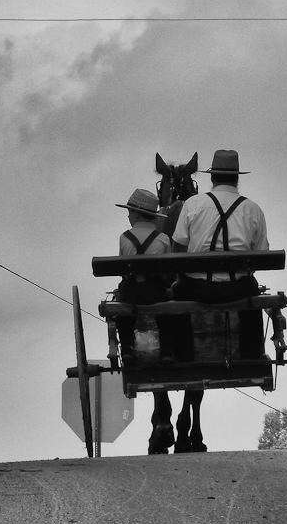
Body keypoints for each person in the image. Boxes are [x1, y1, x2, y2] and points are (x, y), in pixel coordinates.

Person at [170, 149, 269, 359]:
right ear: (236, 179)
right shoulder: (254, 210)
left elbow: (177, 250)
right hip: (238, 289)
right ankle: (252, 355)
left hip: (197, 289)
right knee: (253, 289)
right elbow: (261, 256)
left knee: (175, 293)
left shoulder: (193, 205)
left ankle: (183, 354)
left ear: (212, 177)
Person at [112, 189, 172, 365]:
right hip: (156, 293)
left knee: (122, 304)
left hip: (131, 293)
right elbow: (167, 272)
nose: (128, 216)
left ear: (137, 213)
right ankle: (167, 350)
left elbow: (123, 270)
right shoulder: (163, 239)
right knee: (167, 309)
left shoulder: (124, 238)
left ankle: (128, 349)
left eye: (129, 212)